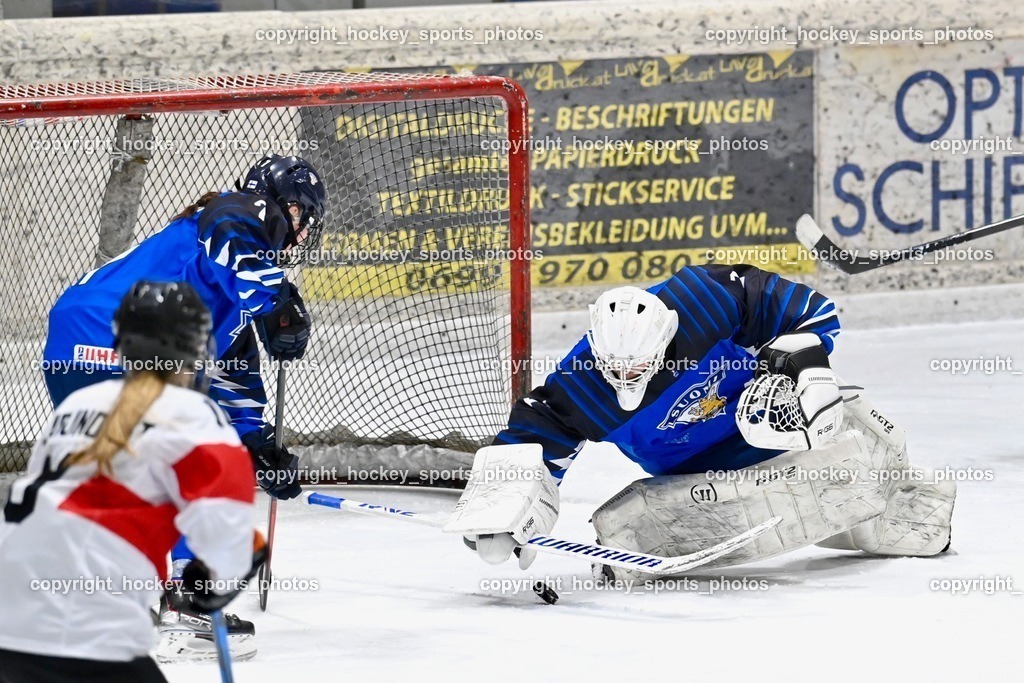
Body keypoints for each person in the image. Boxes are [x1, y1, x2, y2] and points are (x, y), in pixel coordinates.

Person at [453, 264, 957, 581]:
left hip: (777, 423)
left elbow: (812, 312)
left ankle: (879, 507)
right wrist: (502, 516)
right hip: (697, 474)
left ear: (668, 330)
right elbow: (530, 445)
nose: (627, 377)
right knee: (639, 522)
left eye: (640, 364)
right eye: (616, 369)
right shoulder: (584, 384)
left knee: (857, 432)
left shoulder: (706, 300)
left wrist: (793, 369)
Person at [40, 153, 325, 651]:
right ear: (285, 207)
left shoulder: (222, 291)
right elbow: (233, 226)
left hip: (76, 343)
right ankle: (185, 606)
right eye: (301, 215)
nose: (299, 232)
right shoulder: (239, 213)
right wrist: (278, 297)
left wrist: (257, 449)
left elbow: (233, 379)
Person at [0, 281, 263, 682]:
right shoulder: (194, 416)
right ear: (196, 350)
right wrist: (223, 572)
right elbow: (232, 545)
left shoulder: (77, 404)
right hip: (84, 630)